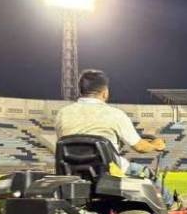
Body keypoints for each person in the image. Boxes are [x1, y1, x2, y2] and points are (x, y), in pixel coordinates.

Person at [54, 69, 178, 206]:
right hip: (107, 174)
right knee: (146, 173)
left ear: (80, 91)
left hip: (71, 171)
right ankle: (170, 204)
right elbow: (140, 147)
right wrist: (155, 145)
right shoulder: (115, 114)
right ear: (105, 92)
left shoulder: (62, 114)